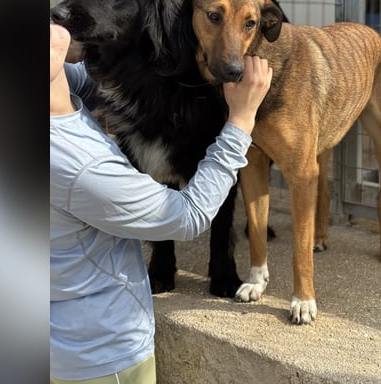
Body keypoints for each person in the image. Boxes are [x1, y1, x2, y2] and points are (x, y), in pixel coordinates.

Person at [50, 23, 272, 383]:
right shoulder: (79, 166)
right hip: (103, 356)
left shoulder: (60, 93)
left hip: (64, 336)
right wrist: (241, 119)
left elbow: (95, 78)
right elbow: (188, 216)